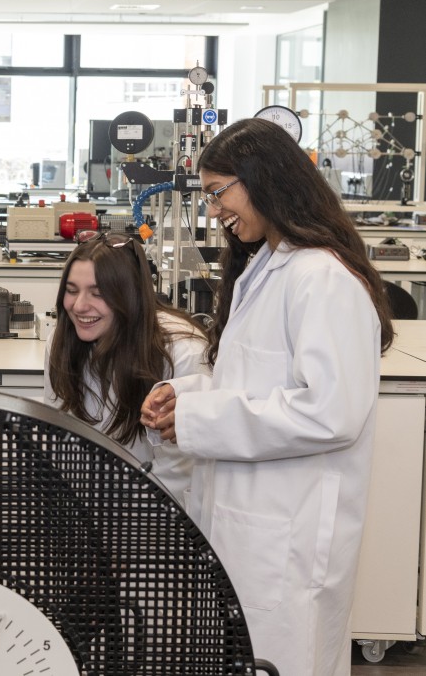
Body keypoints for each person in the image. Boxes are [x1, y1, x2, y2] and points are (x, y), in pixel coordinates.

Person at [139, 117, 394, 676]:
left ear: (264, 178)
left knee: (283, 658)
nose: (213, 211)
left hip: (288, 536)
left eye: (216, 192)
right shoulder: (269, 266)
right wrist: (182, 394)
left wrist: (201, 418)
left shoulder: (321, 278)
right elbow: (252, 385)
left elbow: (332, 414)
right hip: (249, 521)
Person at [43, 232, 208, 501]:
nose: (80, 306)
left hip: (157, 514)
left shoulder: (181, 350)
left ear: (129, 295)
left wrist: (124, 522)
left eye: (97, 293)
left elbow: (178, 470)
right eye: (71, 291)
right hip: (85, 508)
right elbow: (56, 432)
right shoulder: (62, 340)